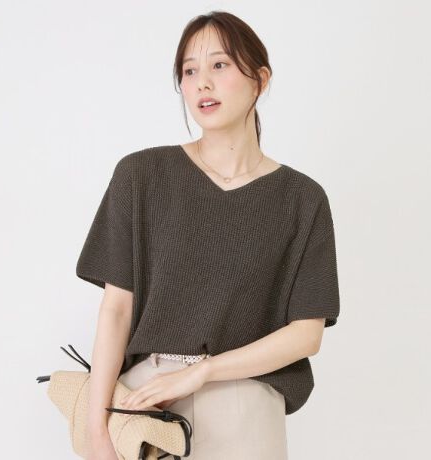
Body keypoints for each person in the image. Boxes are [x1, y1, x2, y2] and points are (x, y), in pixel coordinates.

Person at [77, 10, 340, 460]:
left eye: (219, 65)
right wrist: (96, 426)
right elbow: (116, 310)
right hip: (146, 404)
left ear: (260, 80)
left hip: (246, 406)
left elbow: (305, 335)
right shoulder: (140, 176)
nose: (202, 83)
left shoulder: (302, 199)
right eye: (189, 71)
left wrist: (203, 372)